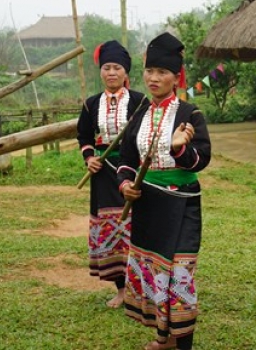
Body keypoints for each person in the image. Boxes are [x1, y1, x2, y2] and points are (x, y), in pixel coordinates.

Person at [118, 32, 211, 350]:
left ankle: (183, 344)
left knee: (180, 275)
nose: (154, 78)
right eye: (150, 71)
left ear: (176, 77)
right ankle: (163, 339)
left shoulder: (190, 114)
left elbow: (201, 159)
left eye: (163, 73)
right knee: (157, 273)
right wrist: (126, 184)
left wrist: (180, 149)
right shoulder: (140, 112)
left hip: (181, 206)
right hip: (147, 206)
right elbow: (127, 159)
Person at [77, 40, 147, 309]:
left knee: (136, 227)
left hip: (134, 172)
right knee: (112, 230)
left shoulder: (140, 102)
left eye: (117, 67)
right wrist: (89, 158)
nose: (112, 72)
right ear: (101, 71)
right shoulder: (90, 104)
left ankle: (141, 288)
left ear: (126, 72)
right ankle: (121, 290)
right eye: (107, 67)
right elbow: (83, 136)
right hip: (104, 175)